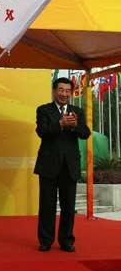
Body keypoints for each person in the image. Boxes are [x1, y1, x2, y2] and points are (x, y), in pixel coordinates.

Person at [34, 77, 90, 252]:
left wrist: (74, 126)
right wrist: (60, 124)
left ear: (71, 93)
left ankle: (66, 241)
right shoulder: (43, 110)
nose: (64, 94)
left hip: (69, 166)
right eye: (61, 90)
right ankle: (45, 241)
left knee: (68, 206)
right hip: (48, 165)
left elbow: (85, 134)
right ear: (54, 91)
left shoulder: (77, 111)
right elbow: (41, 131)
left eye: (68, 91)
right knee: (47, 205)